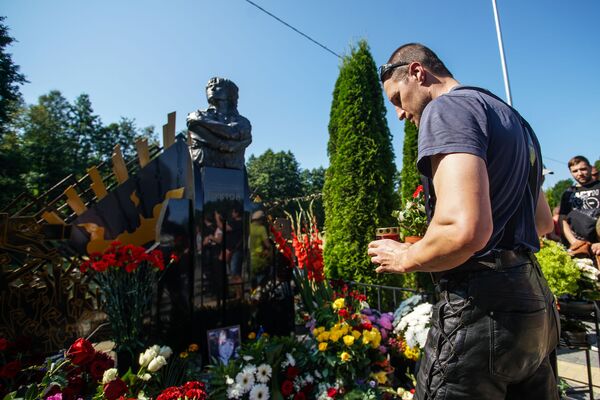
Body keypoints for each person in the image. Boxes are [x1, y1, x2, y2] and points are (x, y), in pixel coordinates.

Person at [368, 43, 557, 399]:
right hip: (535, 307)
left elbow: (463, 230)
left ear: (416, 72)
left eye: (396, 99)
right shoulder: (515, 121)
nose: (399, 113)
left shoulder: (447, 108)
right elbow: (543, 222)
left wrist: (404, 257)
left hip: (481, 312)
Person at [187, 77, 252, 169]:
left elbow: (232, 132)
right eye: (209, 87)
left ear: (230, 93)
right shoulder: (195, 116)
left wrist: (203, 121)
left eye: (217, 86)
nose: (211, 89)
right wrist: (234, 145)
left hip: (234, 170)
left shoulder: (243, 121)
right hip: (203, 167)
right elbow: (234, 137)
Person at [558, 155, 600, 258]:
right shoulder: (568, 193)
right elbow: (562, 219)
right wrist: (574, 242)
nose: (579, 173)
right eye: (575, 171)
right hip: (579, 250)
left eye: (583, 169)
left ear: (590, 168)